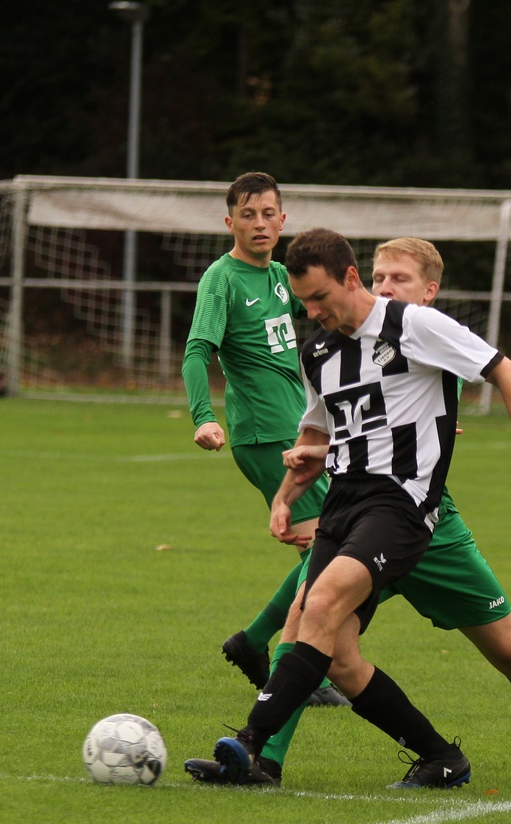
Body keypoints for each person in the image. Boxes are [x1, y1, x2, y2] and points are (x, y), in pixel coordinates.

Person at [185, 238, 511, 785]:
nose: (387, 287)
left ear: (427, 289)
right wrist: (287, 490)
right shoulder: (321, 351)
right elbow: (325, 429)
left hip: (420, 520)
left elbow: (504, 373)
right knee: (314, 628)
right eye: (382, 277)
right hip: (350, 509)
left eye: (399, 278)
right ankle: (276, 758)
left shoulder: (420, 329)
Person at [182, 172, 346, 707]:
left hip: (300, 430)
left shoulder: (282, 275)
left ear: (283, 219)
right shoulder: (221, 279)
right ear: (229, 222)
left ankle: (255, 643)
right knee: (333, 548)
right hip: (262, 435)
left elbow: (332, 319)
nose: (260, 223)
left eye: (268, 213)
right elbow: (196, 350)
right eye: (248, 215)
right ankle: (290, 668)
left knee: (331, 546)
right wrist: (203, 416)